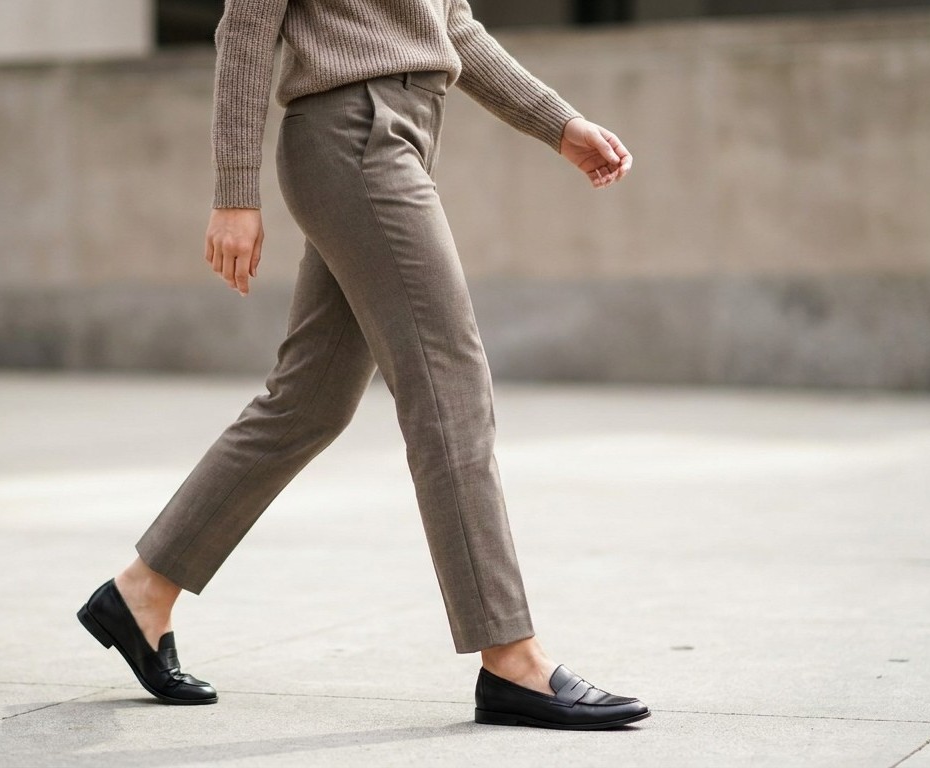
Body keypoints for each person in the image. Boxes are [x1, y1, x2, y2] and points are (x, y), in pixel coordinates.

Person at [77, 0, 648, 730]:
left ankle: (141, 592)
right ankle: (512, 658)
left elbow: (451, 25)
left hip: (396, 133)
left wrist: (556, 122)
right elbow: (245, 29)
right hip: (355, 136)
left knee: (308, 400)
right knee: (449, 388)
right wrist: (233, 191)